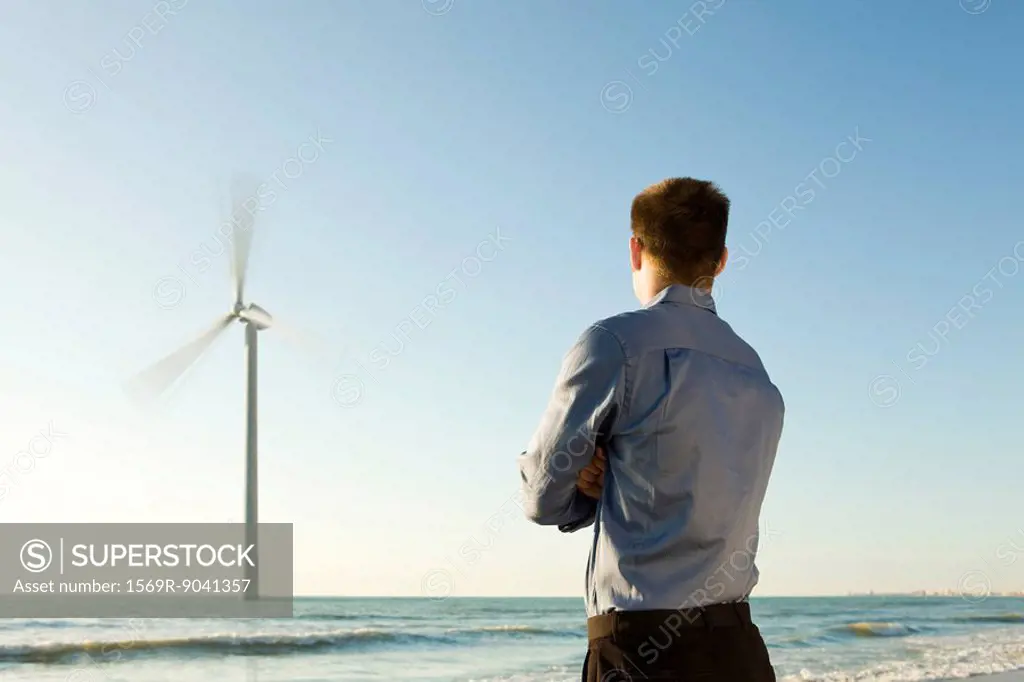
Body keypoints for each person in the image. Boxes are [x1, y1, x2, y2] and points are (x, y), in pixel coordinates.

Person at [518, 177, 784, 681]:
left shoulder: (613, 343)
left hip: (641, 649)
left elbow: (539, 496)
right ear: (721, 260)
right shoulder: (757, 374)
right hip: (740, 650)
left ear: (635, 249)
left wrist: (588, 490)